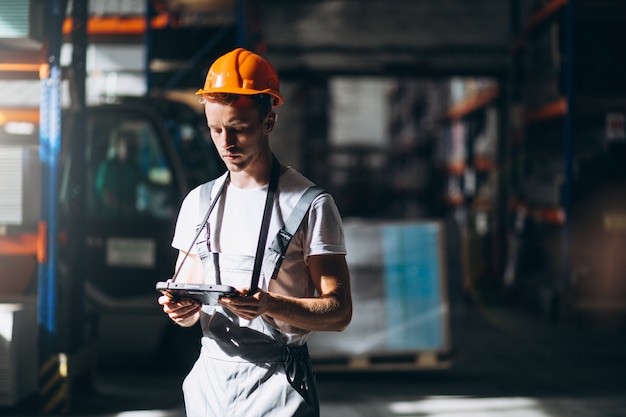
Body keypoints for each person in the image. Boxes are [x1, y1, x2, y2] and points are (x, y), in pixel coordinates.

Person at [157, 48, 352, 417]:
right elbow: (189, 307)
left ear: (268, 122)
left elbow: (339, 312)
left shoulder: (309, 205)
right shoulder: (199, 203)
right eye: (216, 130)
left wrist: (269, 304)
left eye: (239, 129)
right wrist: (179, 309)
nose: (226, 143)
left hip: (278, 384)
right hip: (210, 384)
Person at [94, 131, 144, 216]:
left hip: (130, 220)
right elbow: (108, 198)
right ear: (119, 147)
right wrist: (131, 210)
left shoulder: (134, 167)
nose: (133, 150)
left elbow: (147, 182)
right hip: (110, 221)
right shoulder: (108, 167)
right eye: (129, 147)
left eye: (134, 147)